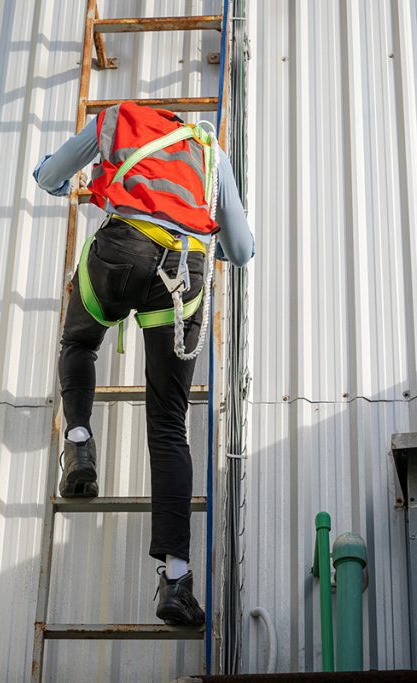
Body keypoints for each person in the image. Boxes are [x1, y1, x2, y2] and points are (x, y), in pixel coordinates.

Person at [33, 101, 254, 627]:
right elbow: (243, 249)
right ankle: (176, 581)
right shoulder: (209, 151)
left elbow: (50, 175)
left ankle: (80, 447)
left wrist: (59, 184)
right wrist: (206, 248)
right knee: (168, 426)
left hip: (119, 251)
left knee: (81, 344)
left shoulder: (118, 119)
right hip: (183, 274)